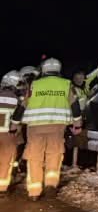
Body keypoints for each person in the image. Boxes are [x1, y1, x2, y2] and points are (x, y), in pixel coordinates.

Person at [13, 58, 80, 199]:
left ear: (44, 70)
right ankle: (51, 184)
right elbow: (75, 106)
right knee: (54, 154)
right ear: (58, 69)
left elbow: (23, 105)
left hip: (35, 127)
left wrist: (15, 122)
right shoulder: (66, 84)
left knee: (34, 157)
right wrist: (77, 124)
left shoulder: (34, 85)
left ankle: (34, 192)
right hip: (57, 126)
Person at [0, 71, 23, 194]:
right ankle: (2, 188)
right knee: (5, 162)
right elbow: (21, 118)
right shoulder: (17, 100)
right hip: (9, 135)